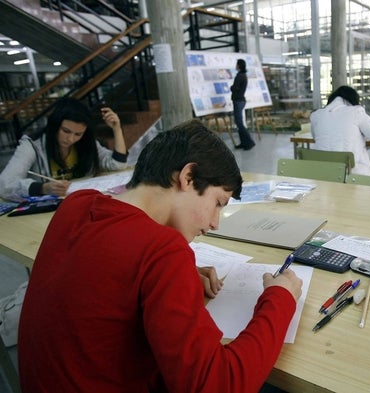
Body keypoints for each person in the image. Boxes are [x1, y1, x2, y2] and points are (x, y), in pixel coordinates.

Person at [18, 120, 303, 393]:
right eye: (218, 203)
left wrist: (173, 279)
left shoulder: (75, 205)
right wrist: (280, 299)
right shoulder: (163, 251)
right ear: (187, 177)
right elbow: (219, 386)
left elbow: (103, 275)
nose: (216, 222)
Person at [0, 98, 128, 201]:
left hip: (83, 202)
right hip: (51, 208)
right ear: (55, 125)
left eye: (78, 134)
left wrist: (116, 129)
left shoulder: (86, 142)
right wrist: (43, 188)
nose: (71, 139)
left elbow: (117, 164)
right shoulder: (32, 145)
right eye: (66, 131)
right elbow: (5, 185)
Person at [310, 85, 370, 176]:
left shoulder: (316, 116)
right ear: (353, 100)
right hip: (353, 177)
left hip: (324, 176)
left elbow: (316, 137)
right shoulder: (356, 112)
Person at [230, 58, 255, 151]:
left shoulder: (240, 76)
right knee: (238, 123)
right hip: (240, 100)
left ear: (239, 65)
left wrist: (231, 88)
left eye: (237, 64)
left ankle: (249, 142)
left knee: (239, 123)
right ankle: (243, 142)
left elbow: (234, 88)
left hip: (238, 101)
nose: (235, 66)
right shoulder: (243, 75)